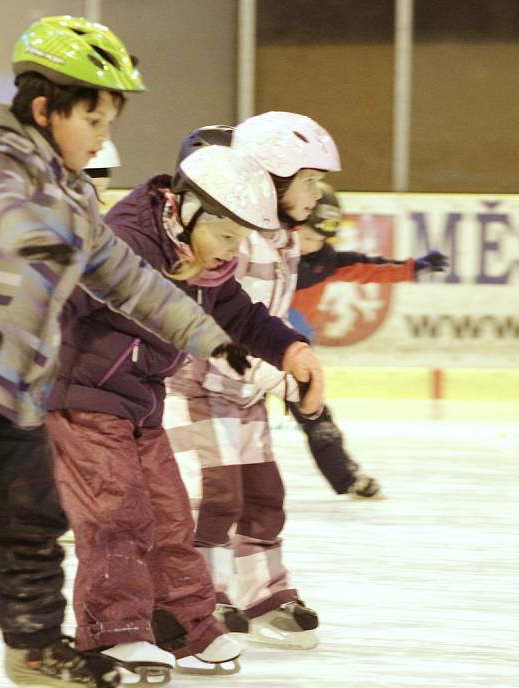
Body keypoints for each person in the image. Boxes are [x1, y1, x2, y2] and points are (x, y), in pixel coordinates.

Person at [0, 16, 275, 688]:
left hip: (19, 384)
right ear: (45, 109)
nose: (104, 138)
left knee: (31, 524)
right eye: (95, 122)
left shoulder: (74, 196)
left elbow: (131, 280)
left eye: (108, 124)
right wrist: (36, 239)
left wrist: (213, 338)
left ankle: (37, 651)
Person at [45, 117, 326, 680]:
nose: (233, 250)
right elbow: (60, 304)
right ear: (193, 210)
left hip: (138, 403)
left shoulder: (200, 253)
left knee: (169, 520)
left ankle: (185, 627)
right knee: (115, 517)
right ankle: (111, 632)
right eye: (227, 236)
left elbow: (239, 313)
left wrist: (290, 348)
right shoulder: (125, 241)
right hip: (83, 401)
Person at [162, 112, 340, 651]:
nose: (318, 193)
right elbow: (219, 327)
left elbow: (269, 321)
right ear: (274, 177)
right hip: (200, 388)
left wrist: (287, 373)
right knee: (215, 498)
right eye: (309, 181)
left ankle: (263, 594)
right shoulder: (239, 239)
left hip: (244, 391)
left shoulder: (282, 241)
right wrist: (282, 377)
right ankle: (202, 597)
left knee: (265, 494)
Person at [288, 181, 448, 498]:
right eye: (306, 236)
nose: (312, 244)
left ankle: (348, 479)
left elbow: (369, 268)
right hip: (249, 348)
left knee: (318, 418)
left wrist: (413, 268)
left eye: (320, 238)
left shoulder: (325, 261)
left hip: (295, 356)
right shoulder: (263, 253)